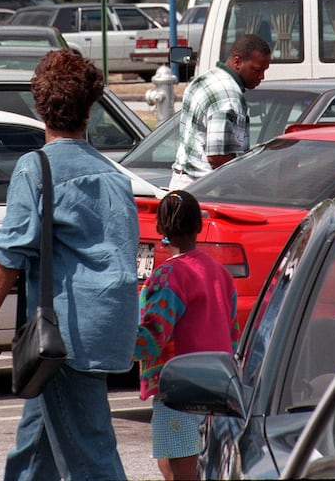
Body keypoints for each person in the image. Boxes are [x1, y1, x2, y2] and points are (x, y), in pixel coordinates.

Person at [0, 48, 139, 481]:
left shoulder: (35, 168)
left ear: (40, 106)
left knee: (91, 457)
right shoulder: (113, 174)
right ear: (89, 110)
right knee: (34, 451)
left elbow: (9, 255)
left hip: (63, 336)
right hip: (104, 327)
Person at [134, 190, 239, 481]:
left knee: (175, 468)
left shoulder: (168, 276)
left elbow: (153, 337)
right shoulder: (220, 273)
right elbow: (232, 333)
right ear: (198, 225)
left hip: (179, 390)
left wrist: (118, 345)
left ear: (161, 229)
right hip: (218, 386)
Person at [169, 32, 271, 189]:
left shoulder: (207, 78)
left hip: (182, 182)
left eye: (265, 70)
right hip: (206, 189)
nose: (262, 76)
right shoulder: (228, 97)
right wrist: (252, 185)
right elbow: (217, 156)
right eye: (257, 70)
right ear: (237, 62)